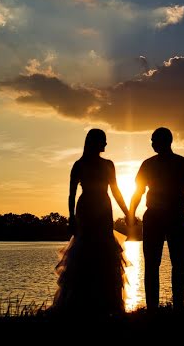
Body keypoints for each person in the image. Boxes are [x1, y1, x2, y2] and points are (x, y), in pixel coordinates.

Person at [52, 128, 130, 316]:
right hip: (88, 208)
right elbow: (72, 194)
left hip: (102, 208)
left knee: (104, 250)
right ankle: (80, 302)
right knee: (85, 250)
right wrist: (72, 217)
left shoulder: (105, 164)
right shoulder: (79, 165)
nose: (105, 144)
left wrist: (127, 212)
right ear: (95, 142)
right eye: (103, 140)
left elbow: (116, 190)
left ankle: (105, 302)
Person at [129, 127, 184, 310]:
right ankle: (157, 307)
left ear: (165, 141)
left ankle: (175, 305)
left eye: (154, 140)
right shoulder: (153, 164)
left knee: (175, 263)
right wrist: (131, 213)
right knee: (155, 264)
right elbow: (138, 192)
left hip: (174, 216)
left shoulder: (182, 163)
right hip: (157, 217)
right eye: (152, 141)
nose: (152, 144)